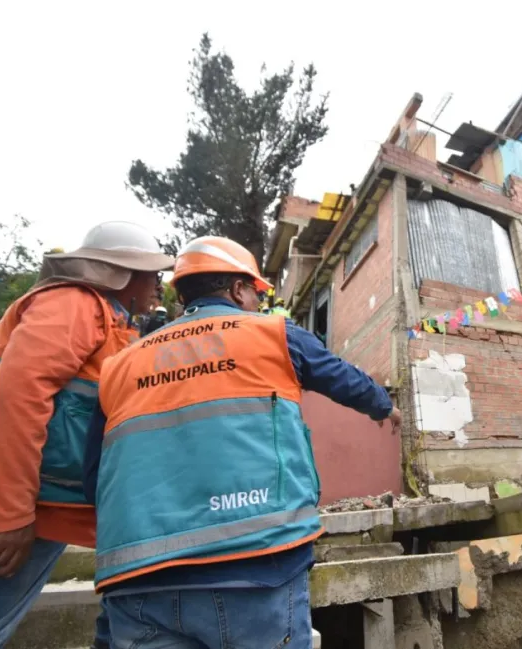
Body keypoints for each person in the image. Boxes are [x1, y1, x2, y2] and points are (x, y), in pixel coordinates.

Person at [82, 235, 401, 649]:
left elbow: (94, 479)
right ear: (237, 289)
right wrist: (384, 407)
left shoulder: (120, 364)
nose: (259, 304)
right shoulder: (272, 334)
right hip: (255, 567)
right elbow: (345, 378)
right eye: (256, 292)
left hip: (137, 580)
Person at [0, 221, 175, 649]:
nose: (159, 286)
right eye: (153, 274)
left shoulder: (109, 321)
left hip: (32, 501)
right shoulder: (73, 305)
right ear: (121, 275)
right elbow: (18, 398)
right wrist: (12, 515)